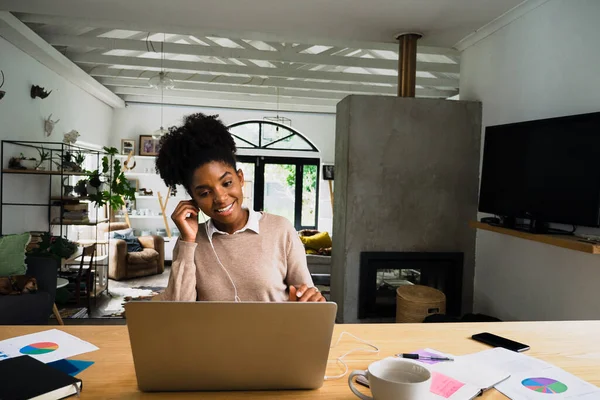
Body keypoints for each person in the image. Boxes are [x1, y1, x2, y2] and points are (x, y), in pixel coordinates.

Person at [154, 113, 324, 303]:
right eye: (204, 193)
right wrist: (188, 241)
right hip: (213, 334)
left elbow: (307, 300)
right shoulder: (190, 243)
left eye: (227, 183)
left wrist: (312, 300)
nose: (220, 198)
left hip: (273, 333)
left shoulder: (280, 229)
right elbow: (178, 312)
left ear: (240, 178)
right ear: (193, 199)